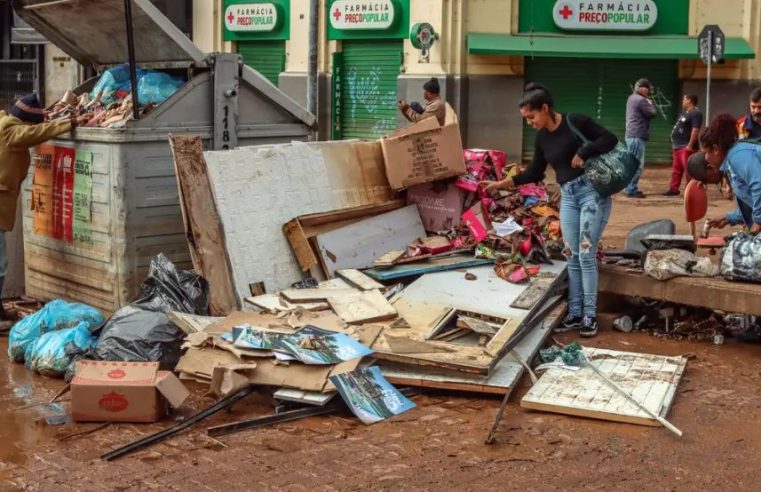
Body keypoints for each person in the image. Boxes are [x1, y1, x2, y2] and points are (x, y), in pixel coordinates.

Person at [480, 83, 617, 337]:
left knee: (586, 256)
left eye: (531, 117)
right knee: (571, 255)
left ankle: (589, 315)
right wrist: (501, 184)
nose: (530, 123)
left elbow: (610, 139)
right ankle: (575, 313)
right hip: (568, 196)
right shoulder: (542, 137)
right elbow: (534, 172)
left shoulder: (575, 121)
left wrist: (584, 151)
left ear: (545, 108)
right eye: (526, 119)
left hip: (592, 194)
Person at [0, 94, 87, 326]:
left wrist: (48, 116)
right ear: (26, 122)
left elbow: (30, 130)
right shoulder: (9, 129)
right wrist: (68, 123)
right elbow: (29, 134)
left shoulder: (7, 123)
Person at [687, 113, 761, 234]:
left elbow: (759, 184)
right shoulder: (732, 164)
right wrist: (727, 219)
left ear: (716, 149)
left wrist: (758, 222)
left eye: (706, 152)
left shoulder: (737, 155)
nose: (706, 158)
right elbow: (751, 203)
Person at [624, 78, 658, 198]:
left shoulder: (631, 98)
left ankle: (628, 187)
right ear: (643, 88)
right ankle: (631, 189)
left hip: (631, 135)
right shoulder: (641, 100)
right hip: (637, 136)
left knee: (631, 164)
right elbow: (652, 113)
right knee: (637, 165)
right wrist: (650, 103)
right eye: (647, 89)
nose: (648, 92)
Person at [663, 94, 703, 196]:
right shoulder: (686, 113)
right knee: (676, 170)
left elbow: (695, 130)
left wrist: (690, 145)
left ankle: (691, 191)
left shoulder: (696, 113)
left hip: (686, 147)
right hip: (678, 146)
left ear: (689, 100)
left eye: (684, 99)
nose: (683, 101)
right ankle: (673, 189)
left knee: (689, 171)